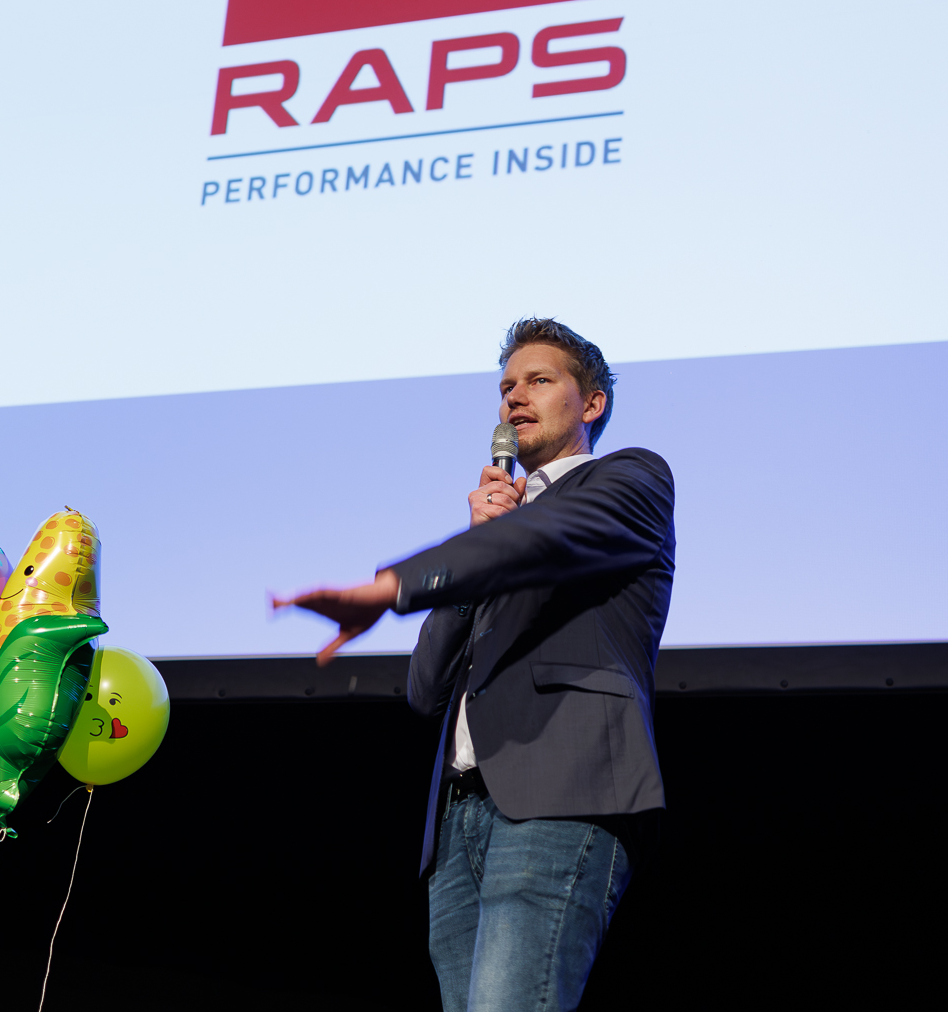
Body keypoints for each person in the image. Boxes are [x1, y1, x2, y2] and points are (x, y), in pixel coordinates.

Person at [278, 318, 673, 1012]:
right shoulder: (498, 535)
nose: (514, 397)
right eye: (506, 386)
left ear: (592, 403)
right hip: (458, 823)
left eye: (539, 380)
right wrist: (473, 549)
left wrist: (396, 587)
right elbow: (425, 689)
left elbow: (548, 537)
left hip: (559, 796)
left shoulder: (630, 479)